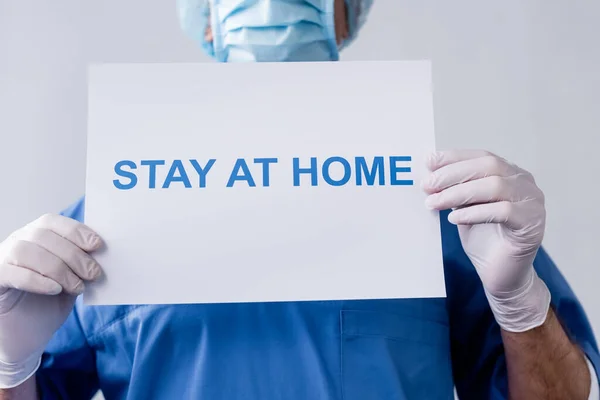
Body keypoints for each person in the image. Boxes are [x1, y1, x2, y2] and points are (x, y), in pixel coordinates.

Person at [0, 1, 598, 399]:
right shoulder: (109, 219)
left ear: (347, 13)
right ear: (203, 16)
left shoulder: (444, 209)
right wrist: (8, 361)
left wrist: (520, 303)